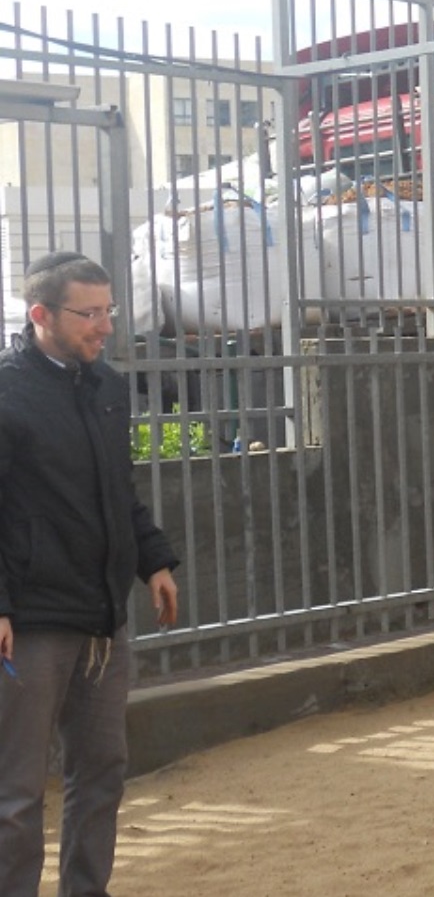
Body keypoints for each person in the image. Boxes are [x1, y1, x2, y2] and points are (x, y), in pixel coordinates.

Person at [0, 251, 181, 897]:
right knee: (16, 792)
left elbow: (116, 490)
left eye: (109, 311)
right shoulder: (7, 390)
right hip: (29, 625)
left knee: (102, 773)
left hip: (102, 617)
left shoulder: (105, 385)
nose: (104, 326)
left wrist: (151, 558)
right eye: (89, 314)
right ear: (41, 313)